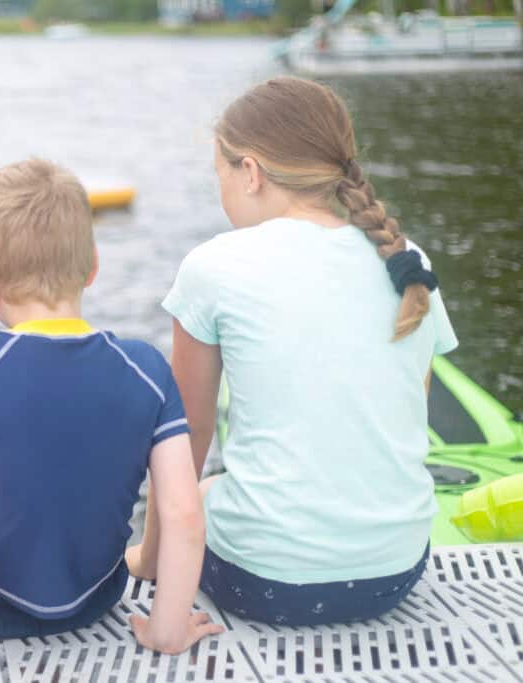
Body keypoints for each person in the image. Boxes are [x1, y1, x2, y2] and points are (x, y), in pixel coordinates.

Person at [128, 77, 457, 626]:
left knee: (209, 488)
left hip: (267, 583)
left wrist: (151, 557)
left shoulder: (215, 266)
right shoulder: (406, 261)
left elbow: (187, 434)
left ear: (251, 172)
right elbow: (408, 414)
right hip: (397, 573)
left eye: (220, 174)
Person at [0, 159, 222, 683]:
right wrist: (167, 629)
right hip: (96, 601)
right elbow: (181, 511)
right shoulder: (147, 367)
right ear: (92, 268)